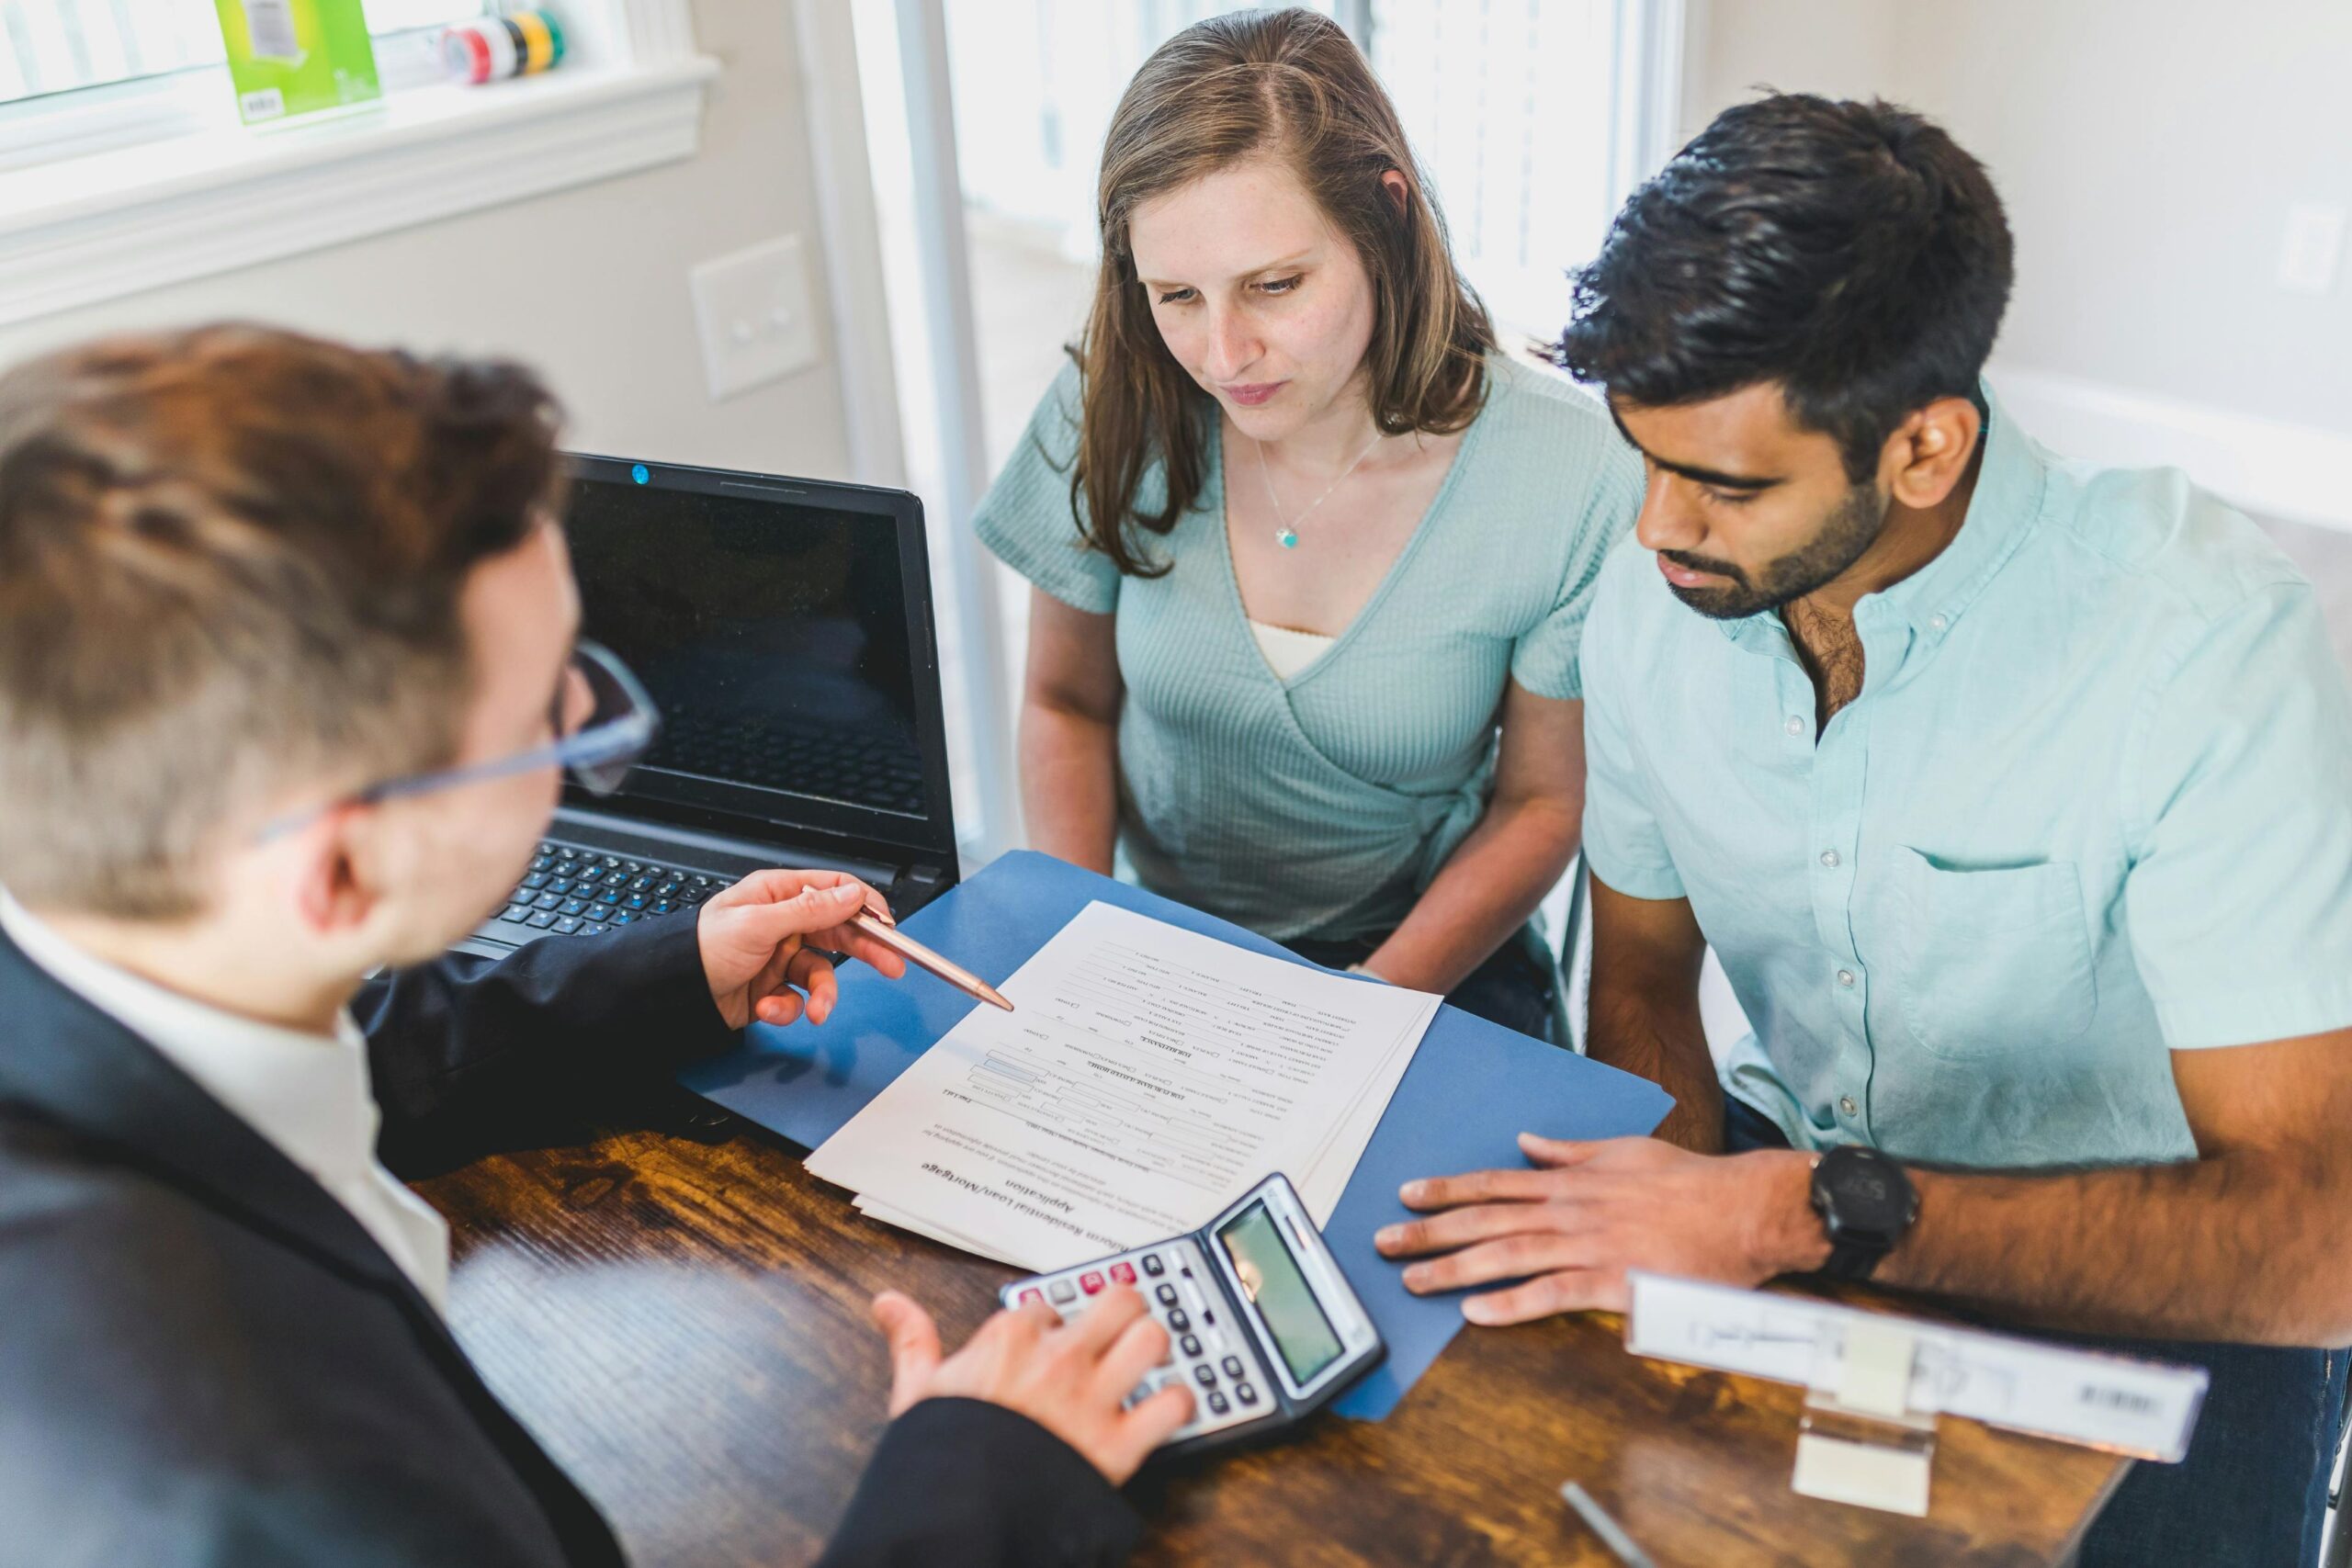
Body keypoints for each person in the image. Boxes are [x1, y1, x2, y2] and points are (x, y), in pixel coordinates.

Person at [0, 326, 1189, 1566]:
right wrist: (974, 1483)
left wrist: (681, 965)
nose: (593, 726)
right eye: (551, 725)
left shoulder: (113, 957)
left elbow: (381, 1043)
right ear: (340, 871)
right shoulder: (284, 1483)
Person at [1374, 96, 2352, 1567]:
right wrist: (1675, 1304)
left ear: (1924, 449)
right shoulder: (1661, 600)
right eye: (1646, 459)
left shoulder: (2204, 646)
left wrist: (1792, 1216)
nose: (1653, 530)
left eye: (1726, 483)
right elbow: (1641, 978)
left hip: (2164, 1260)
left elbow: (2316, 1245)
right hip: (1791, 1181)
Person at [976, 8, 1642, 1037]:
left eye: (1275, 286)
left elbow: (1541, 803)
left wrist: (1358, 1012)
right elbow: (1065, 701)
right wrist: (1081, 938)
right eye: (1176, 295)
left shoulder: (1566, 467)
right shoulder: (1114, 403)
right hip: (1149, 942)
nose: (1224, 352)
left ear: (1387, 217)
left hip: (1424, 960)